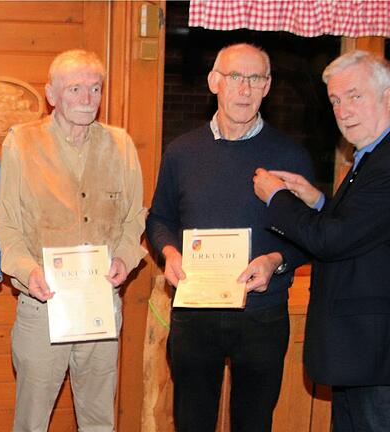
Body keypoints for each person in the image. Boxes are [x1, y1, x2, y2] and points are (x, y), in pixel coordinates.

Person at [146, 43, 314, 432]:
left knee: (254, 423)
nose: (245, 88)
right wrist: (170, 251)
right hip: (194, 313)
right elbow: (160, 217)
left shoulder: (290, 156)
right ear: (214, 82)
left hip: (262, 314)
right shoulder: (182, 152)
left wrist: (275, 261)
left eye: (256, 78)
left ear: (268, 86)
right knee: (191, 422)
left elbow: (308, 235)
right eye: (235, 77)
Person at [0, 49, 146, 431]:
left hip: (101, 305)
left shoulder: (121, 145)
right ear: (51, 94)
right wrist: (28, 271)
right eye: (75, 88)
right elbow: (7, 224)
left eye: (95, 88)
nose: (86, 98)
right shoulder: (22, 143)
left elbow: (134, 219)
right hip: (41, 304)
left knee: (98, 420)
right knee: (31, 422)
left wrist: (126, 260)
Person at [254, 50, 390, 432]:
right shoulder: (368, 156)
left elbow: (331, 240)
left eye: (354, 96)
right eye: (335, 100)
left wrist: (276, 196)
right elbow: (361, 229)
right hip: (362, 353)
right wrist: (315, 200)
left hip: (376, 352)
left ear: (387, 97)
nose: (343, 110)